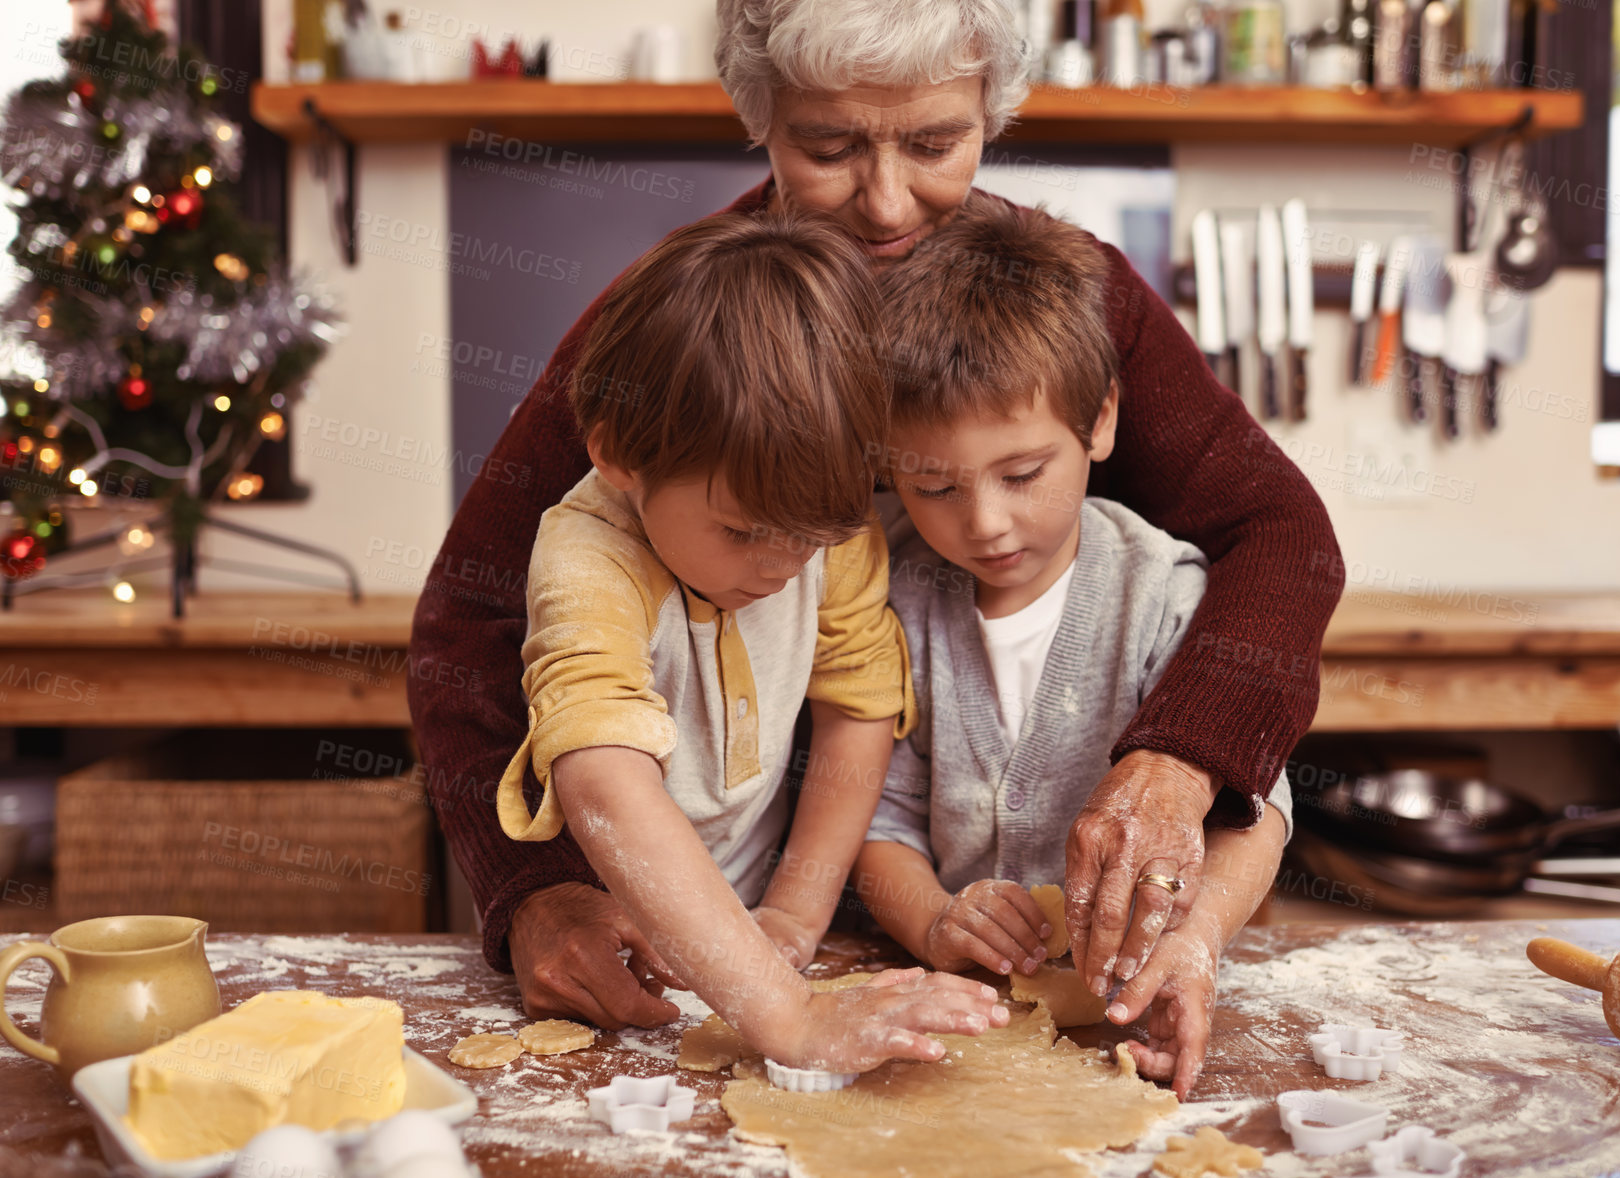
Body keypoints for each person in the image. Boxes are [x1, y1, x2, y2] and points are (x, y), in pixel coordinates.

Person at [407, 0, 1343, 1029]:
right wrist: (533, 888)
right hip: (712, 932)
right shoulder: (683, 324)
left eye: (935, 143)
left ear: (992, 110)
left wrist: (1177, 760)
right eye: (829, 146)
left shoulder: (1067, 302)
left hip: (953, 925)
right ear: (761, 119)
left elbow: (1280, 535)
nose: (888, 203)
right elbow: (469, 618)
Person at [491, 210, 1006, 1071]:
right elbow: (604, 783)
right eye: (740, 532)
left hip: (755, 937)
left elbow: (857, 709)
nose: (780, 566)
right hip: (614, 947)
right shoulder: (588, 560)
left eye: (804, 538)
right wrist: (792, 1020)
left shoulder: (822, 527)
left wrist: (796, 917)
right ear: (621, 456)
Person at [854, 198, 1293, 1099]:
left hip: (1130, 1008)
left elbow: (1258, 811)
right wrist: (937, 921)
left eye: (1022, 475)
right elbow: (871, 819)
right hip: (954, 1026)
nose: (983, 523)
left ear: (1098, 422)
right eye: (933, 486)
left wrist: (1193, 939)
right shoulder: (888, 599)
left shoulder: (1160, 591)